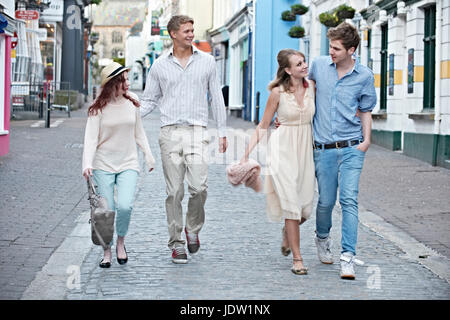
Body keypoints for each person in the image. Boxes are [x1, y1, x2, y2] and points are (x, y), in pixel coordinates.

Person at [140, 15, 228, 264]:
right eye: (186, 31)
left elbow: (216, 98)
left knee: (199, 187)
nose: (191, 34)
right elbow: (149, 101)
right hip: (169, 132)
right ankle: (176, 242)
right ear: (173, 34)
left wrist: (222, 131)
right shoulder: (158, 66)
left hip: (198, 131)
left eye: (192, 30)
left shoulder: (208, 62)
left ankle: (192, 228)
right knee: (174, 191)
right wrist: (126, 117)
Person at [308, 22, 377, 279]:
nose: (332, 52)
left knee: (349, 199)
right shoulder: (318, 66)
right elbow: (302, 92)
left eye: (337, 48)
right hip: (323, 148)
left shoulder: (364, 76)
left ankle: (347, 256)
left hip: (351, 147)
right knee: (326, 201)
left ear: (352, 50)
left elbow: (367, 110)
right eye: (330, 47)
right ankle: (322, 237)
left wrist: (366, 141)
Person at [241, 49, 315, 275]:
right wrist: (246, 153)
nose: (304, 66)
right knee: (291, 205)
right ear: (287, 70)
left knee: (305, 209)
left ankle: (287, 232)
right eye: (298, 64)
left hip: (305, 151)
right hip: (282, 151)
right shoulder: (277, 93)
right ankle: (298, 259)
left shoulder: (312, 87)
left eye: (304, 61)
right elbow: (263, 125)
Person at [82, 62, 155, 268]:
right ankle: (107, 250)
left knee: (125, 206)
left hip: (128, 162)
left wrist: (149, 156)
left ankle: (120, 242)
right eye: (123, 79)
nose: (128, 83)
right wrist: (87, 164)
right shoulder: (98, 108)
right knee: (106, 211)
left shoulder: (133, 103)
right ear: (113, 83)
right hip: (103, 164)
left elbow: (139, 132)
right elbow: (90, 139)